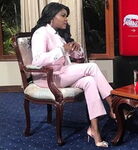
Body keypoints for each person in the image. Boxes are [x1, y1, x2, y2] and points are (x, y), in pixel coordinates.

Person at [30, 2, 114, 147]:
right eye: (62, 16)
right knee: (92, 67)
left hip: (62, 73)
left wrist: (76, 49)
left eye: (66, 16)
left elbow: (72, 57)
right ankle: (113, 106)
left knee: (90, 81)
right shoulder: (41, 33)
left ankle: (94, 130)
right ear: (51, 16)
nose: (66, 19)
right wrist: (62, 49)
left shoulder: (58, 35)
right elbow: (37, 61)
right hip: (47, 77)